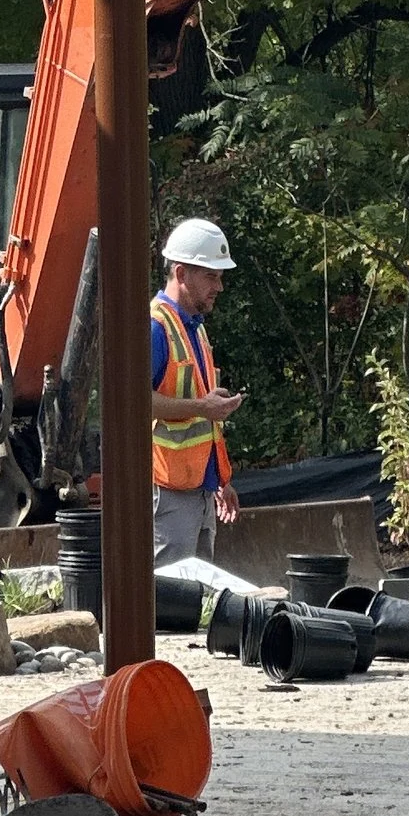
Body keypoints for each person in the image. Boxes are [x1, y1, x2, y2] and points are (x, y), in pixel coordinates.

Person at [150, 218, 243, 568]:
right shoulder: (156, 327)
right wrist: (203, 406)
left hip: (198, 490)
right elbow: (132, 405)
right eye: (211, 276)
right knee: (169, 598)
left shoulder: (194, 329)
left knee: (197, 600)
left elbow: (202, 417)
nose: (219, 286)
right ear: (181, 274)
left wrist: (219, 480)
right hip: (168, 489)